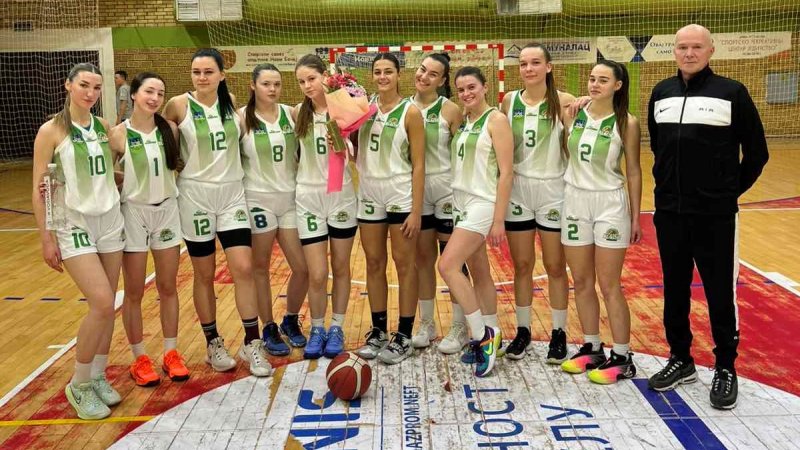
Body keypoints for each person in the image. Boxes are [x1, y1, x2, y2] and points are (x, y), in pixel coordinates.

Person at [646, 24, 768, 409]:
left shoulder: (732, 92)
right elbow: (659, 146)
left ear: (711, 50)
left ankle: (726, 366)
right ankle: (681, 358)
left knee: (719, 292)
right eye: (682, 47)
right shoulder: (661, 92)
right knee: (674, 288)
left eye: (696, 46)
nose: (689, 53)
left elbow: (757, 153)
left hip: (715, 216)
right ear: (674, 51)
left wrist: (725, 193)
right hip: (670, 213)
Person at [163, 48, 271, 377]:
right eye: (196, 72)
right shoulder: (178, 105)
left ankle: (252, 342)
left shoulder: (232, 105)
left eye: (209, 72)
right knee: (204, 274)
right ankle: (213, 343)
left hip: (231, 195)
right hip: (195, 197)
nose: (202, 77)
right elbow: (162, 143)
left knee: (243, 268)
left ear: (222, 75)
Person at [33, 63, 124, 419]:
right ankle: (79, 383)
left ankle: (98, 375)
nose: (90, 93)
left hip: (110, 221)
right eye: (84, 85)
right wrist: (46, 237)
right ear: (68, 85)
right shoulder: (51, 131)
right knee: (100, 302)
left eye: (96, 88)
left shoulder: (103, 127)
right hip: (74, 224)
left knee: (109, 305)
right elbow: (39, 188)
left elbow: (105, 173)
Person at [558, 60, 642, 385]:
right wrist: (574, 110)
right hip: (575, 201)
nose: (594, 84)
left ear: (618, 86)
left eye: (603, 80)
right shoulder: (574, 113)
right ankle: (592, 347)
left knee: (609, 284)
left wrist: (635, 215)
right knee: (581, 280)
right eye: (592, 79)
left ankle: (622, 356)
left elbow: (633, 171)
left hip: (609, 204)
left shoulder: (626, 122)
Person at [111, 72, 189, 387]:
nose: (155, 98)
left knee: (168, 287)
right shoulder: (118, 134)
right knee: (133, 291)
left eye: (160, 93)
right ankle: (139, 357)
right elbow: (106, 176)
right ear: (134, 94)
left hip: (167, 211)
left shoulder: (170, 129)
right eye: (148, 91)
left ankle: (171, 352)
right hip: (134, 214)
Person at [500, 43, 574, 362]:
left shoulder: (565, 101)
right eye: (523, 64)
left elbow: (575, 142)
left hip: (553, 191)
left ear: (548, 66)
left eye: (535, 63)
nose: (528, 69)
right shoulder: (509, 101)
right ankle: (523, 330)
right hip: (518, 191)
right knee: (522, 265)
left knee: (555, 266)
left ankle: (559, 332)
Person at [437, 67, 513, 378]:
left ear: (485, 87)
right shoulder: (466, 121)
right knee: (480, 272)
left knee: (447, 266)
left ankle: (483, 335)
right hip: (461, 201)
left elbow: (506, 172)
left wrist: (499, 218)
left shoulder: (496, 120)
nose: (467, 93)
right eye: (461, 89)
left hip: (482, 203)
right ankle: (493, 332)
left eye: (472, 87)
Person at [354, 53, 424, 365]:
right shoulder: (361, 109)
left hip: (399, 193)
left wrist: (416, 210)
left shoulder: (411, 112)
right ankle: (378, 331)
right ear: (372, 76)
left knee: (404, 264)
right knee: (373, 262)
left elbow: (419, 164)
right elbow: (351, 149)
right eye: (378, 72)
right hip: (369, 192)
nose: (382, 77)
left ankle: (404, 334)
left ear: (398, 75)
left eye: (388, 72)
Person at [239, 63, 309, 356]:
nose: (272, 89)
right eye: (266, 84)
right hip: (258, 200)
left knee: (302, 268)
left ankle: (290, 319)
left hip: (290, 199)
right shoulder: (241, 118)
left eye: (277, 84)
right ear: (253, 85)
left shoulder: (291, 114)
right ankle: (267, 326)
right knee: (260, 268)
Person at [292, 54, 358, 359]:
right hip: (308, 198)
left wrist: (344, 143)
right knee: (317, 273)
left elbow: (355, 155)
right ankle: (317, 328)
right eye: (301, 81)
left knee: (341, 267)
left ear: (325, 77)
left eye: (311, 79)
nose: (307, 86)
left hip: (341, 195)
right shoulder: (297, 113)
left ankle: (337, 327)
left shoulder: (344, 108)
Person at [407, 53, 471, 355]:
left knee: (452, 261)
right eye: (422, 70)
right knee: (422, 260)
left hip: (446, 192)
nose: (424, 76)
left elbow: (465, 151)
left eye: (433, 74)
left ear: (442, 80)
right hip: (416, 193)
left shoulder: (451, 110)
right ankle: (427, 323)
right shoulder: (404, 108)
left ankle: (459, 325)